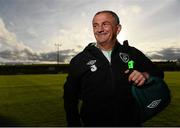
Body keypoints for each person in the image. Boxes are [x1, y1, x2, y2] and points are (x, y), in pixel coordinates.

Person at [63, 10, 164, 127]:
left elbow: (158, 73)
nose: (99, 29)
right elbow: (69, 96)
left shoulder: (132, 53)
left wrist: (145, 75)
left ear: (118, 28)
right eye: (95, 25)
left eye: (105, 24)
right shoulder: (80, 59)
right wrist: (73, 124)